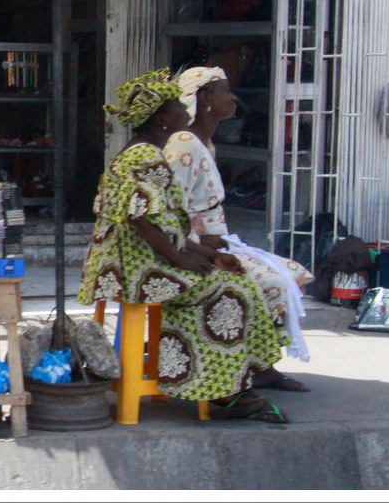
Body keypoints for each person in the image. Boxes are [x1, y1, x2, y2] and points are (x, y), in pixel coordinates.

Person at [77, 68, 289, 423]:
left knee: (235, 281)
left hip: (139, 259)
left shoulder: (148, 153)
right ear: (162, 118)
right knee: (228, 291)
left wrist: (209, 254)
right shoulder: (143, 158)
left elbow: (168, 225)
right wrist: (180, 258)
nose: (184, 109)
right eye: (177, 105)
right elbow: (142, 220)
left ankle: (231, 386)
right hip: (132, 267)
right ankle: (224, 393)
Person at [163, 66, 313, 392]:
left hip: (215, 241)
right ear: (204, 98)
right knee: (272, 282)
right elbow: (169, 208)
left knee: (291, 273)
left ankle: (258, 364)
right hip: (189, 248)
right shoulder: (184, 144)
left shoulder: (204, 142)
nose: (233, 98)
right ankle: (254, 367)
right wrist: (201, 246)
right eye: (225, 90)